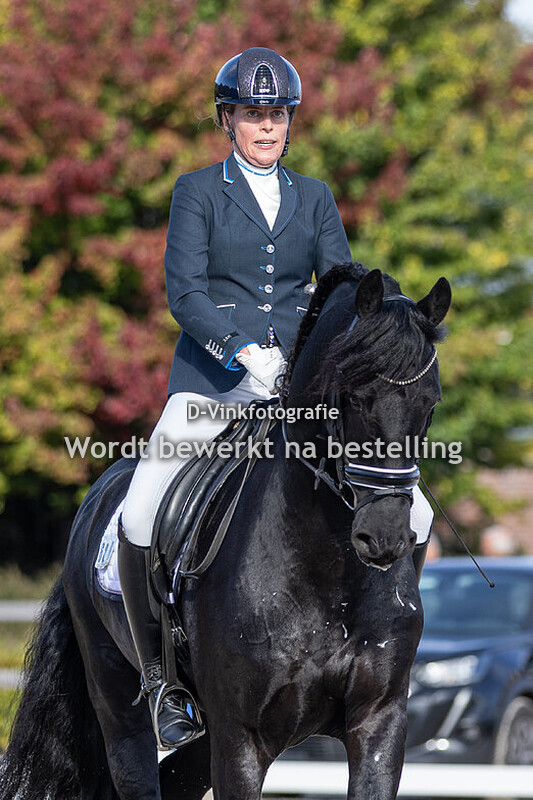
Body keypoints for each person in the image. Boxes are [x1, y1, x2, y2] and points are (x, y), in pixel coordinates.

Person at [117, 46, 353, 750]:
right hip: (213, 386)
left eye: (277, 114)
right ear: (229, 120)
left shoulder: (314, 196)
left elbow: (339, 285)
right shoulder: (197, 191)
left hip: (298, 395)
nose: (267, 127)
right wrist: (243, 353)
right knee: (139, 510)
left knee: (411, 503)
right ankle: (161, 681)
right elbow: (184, 293)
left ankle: (372, 650)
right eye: (254, 114)